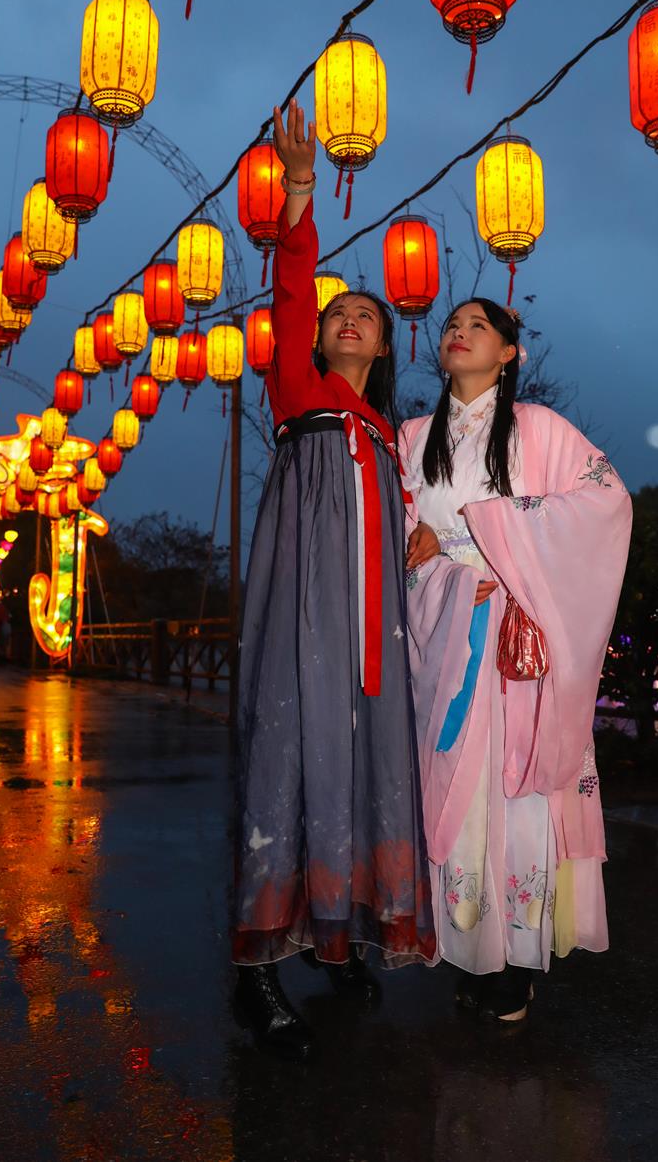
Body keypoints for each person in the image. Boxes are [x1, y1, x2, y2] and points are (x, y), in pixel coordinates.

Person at [233, 99, 436, 1060]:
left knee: (361, 769)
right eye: (337, 313)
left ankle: (336, 934)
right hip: (306, 621)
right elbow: (290, 279)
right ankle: (259, 968)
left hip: (375, 639)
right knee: (287, 759)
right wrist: (301, 191)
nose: (351, 316)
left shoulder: (391, 437)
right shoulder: (299, 394)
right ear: (315, 341)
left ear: (386, 346)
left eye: (369, 315)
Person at [401, 299, 631, 1023]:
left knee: (516, 792)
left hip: (516, 637)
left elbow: (606, 503)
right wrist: (425, 547)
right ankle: (467, 946)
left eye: (477, 326)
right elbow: (395, 524)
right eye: (450, 326)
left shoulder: (541, 430)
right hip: (441, 630)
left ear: (510, 353)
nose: (458, 333)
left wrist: (490, 529)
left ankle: (513, 960)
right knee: (454, 794)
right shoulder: (412, 436)